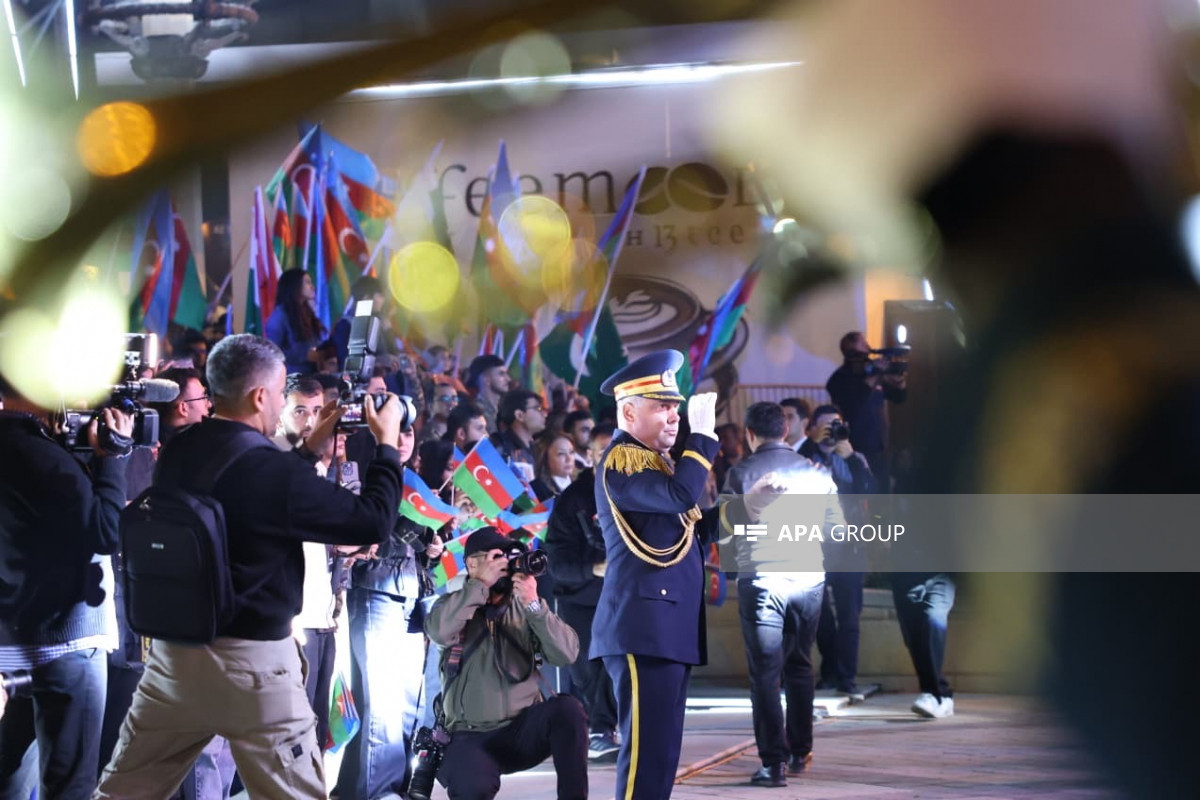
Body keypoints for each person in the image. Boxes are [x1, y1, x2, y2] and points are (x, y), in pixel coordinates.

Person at [95, 333, 405, 799]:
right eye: (281, 393)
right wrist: (386, 447)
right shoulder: (270, 471)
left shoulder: (180, 450)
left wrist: (303, 452)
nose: (281, 403)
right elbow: (371, 522)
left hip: (173, 663)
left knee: (124, 792)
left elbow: (246, 494)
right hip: (253, 668)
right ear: (261, 396)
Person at [590, 350, 720, 800]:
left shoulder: (658, 465)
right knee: (645, 760)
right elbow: (681, 496)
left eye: (676, 407)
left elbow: (692, 530)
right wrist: (700, 440)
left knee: (662, 757)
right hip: (642, 627)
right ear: (629, 411)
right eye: (662, 406)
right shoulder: (623, 461)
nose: (674, 416)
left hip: (664, 626)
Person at [0, 374, 132, 799]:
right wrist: (113, 458)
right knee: (69, 782)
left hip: (15, 636)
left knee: (12, 773)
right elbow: (104, 530)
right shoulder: (39, 453)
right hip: (66, 637)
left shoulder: (22, 446)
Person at [722, 402, 841, 787]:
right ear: (787, 431)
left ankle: (773, 764)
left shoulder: (740, 472)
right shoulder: (816, 473)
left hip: (761, 580)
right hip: (808, 578)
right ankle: (800, 750)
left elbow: (726, 533)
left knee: (765, 675)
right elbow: (836, 530)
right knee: (801, 664)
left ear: (749, 434)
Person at [425, 527, 586, 800]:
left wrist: (534, 605)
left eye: (508, 559)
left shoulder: (525, 607)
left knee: (568, 710)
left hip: (520, 732)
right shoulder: (452, 603)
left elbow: (567, 655)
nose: (505, 566)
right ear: (472, 563)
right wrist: (479, 586)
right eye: (496, 557)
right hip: (469, 736)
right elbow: (440, 631)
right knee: (470, 785)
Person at [544, 423, 620, 762]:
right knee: (587, 666)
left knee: (620, 664)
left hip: (627, 596)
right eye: (601, 452)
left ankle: (611, 726)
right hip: (581, 597)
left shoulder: (640, 490)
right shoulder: (572, 500)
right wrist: (593, 568)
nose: (609, 459)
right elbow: (557, 560)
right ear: (588, 456)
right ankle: (599, 728)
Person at [800, 405, 874, 698]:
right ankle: (830, 669)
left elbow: (870, 492)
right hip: (812, 543)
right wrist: (812, 444)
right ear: (815, 428)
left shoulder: (855, 458)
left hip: (849, 544)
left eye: (837, 424)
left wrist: (852, 459)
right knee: (818, 615)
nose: (833, 431)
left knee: (849, 615)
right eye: (827, 426)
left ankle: (847, 678)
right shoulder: (806, 455)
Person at [825, 332, 905, 492]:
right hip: (855, 446)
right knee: (860, 490)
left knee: (882, 491)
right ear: (850, 352)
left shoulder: (873, 374)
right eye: (863, 345)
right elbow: (853, 403)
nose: (868, 349)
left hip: (880, 444)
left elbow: (898, 397)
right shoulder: (839, 379)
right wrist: (874, 376)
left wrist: (899, 379)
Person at [264, 268, 326, 375]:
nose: (312, 287)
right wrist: (305, 355)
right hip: (291, 378)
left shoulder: (307, 312)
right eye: (307, 282)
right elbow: (272, 351)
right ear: (294, 286)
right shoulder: (280, 315)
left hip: (313, 374)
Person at [465, 355, 511, 434]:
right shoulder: (474, 411)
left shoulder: (505, 408)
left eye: (506, 373)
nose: (508, 379)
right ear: (486, 380)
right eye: (501, 374)